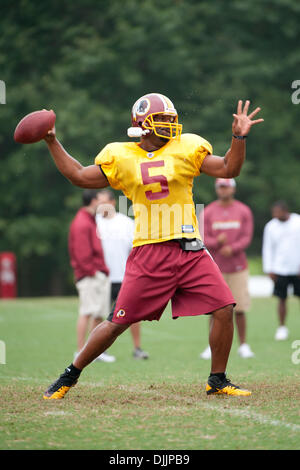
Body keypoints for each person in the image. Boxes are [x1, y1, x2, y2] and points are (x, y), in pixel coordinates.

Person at [42, 93, 263, 400]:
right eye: (162, 121)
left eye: (172, 120)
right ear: (142, 125)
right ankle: (69, 374)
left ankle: (217, 379)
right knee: (118, 322)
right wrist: (52, 141)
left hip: (190, 249)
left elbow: (229, 169)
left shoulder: (186, 147)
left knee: (224, 308)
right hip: (150, 251)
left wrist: (238, 136)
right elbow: (79, 175)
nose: (170, 126)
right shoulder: (121, 155)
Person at [199, 177, 254, 360]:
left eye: (226, 187)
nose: (223, 190)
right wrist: (216, 242)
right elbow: (202, 237)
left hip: (238, 266)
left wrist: (234, 247)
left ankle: (244, 345)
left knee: (239, 308)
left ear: (233, 189)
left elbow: (247, 236)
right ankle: (211, 345)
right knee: (215, 309)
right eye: (220, 187)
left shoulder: (243, 210)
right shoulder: (208, 212)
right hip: (215, 267)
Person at [96, 189, 149, 359]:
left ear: (112, 203)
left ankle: (137, 348)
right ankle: (98, 351)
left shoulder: (126, 222)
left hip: (124, 276)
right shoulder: (94, 222)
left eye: (103, 201)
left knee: (132, 314)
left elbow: (136, 248)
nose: (100, 206)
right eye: (98, 202)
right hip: (102, 277)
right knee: (98, 314)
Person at [69, 189, 116, 363]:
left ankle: (93, 351)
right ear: (94, 201)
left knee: (97, 313)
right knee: (87, 312)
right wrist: (93, 272)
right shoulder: (82, 222)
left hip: (95, 273)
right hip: (90, 275)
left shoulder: (89, 220)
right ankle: (81, 351)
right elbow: (82, 253)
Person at [262, 201, 300, 340]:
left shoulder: (297, 222)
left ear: (285, 211)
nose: (276, 215)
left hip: (297, 268)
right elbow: (267, 248)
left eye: (278, 212)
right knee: (282, 299)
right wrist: (269, 269)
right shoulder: (271, 226)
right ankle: (282, 327)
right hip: (280, 268)